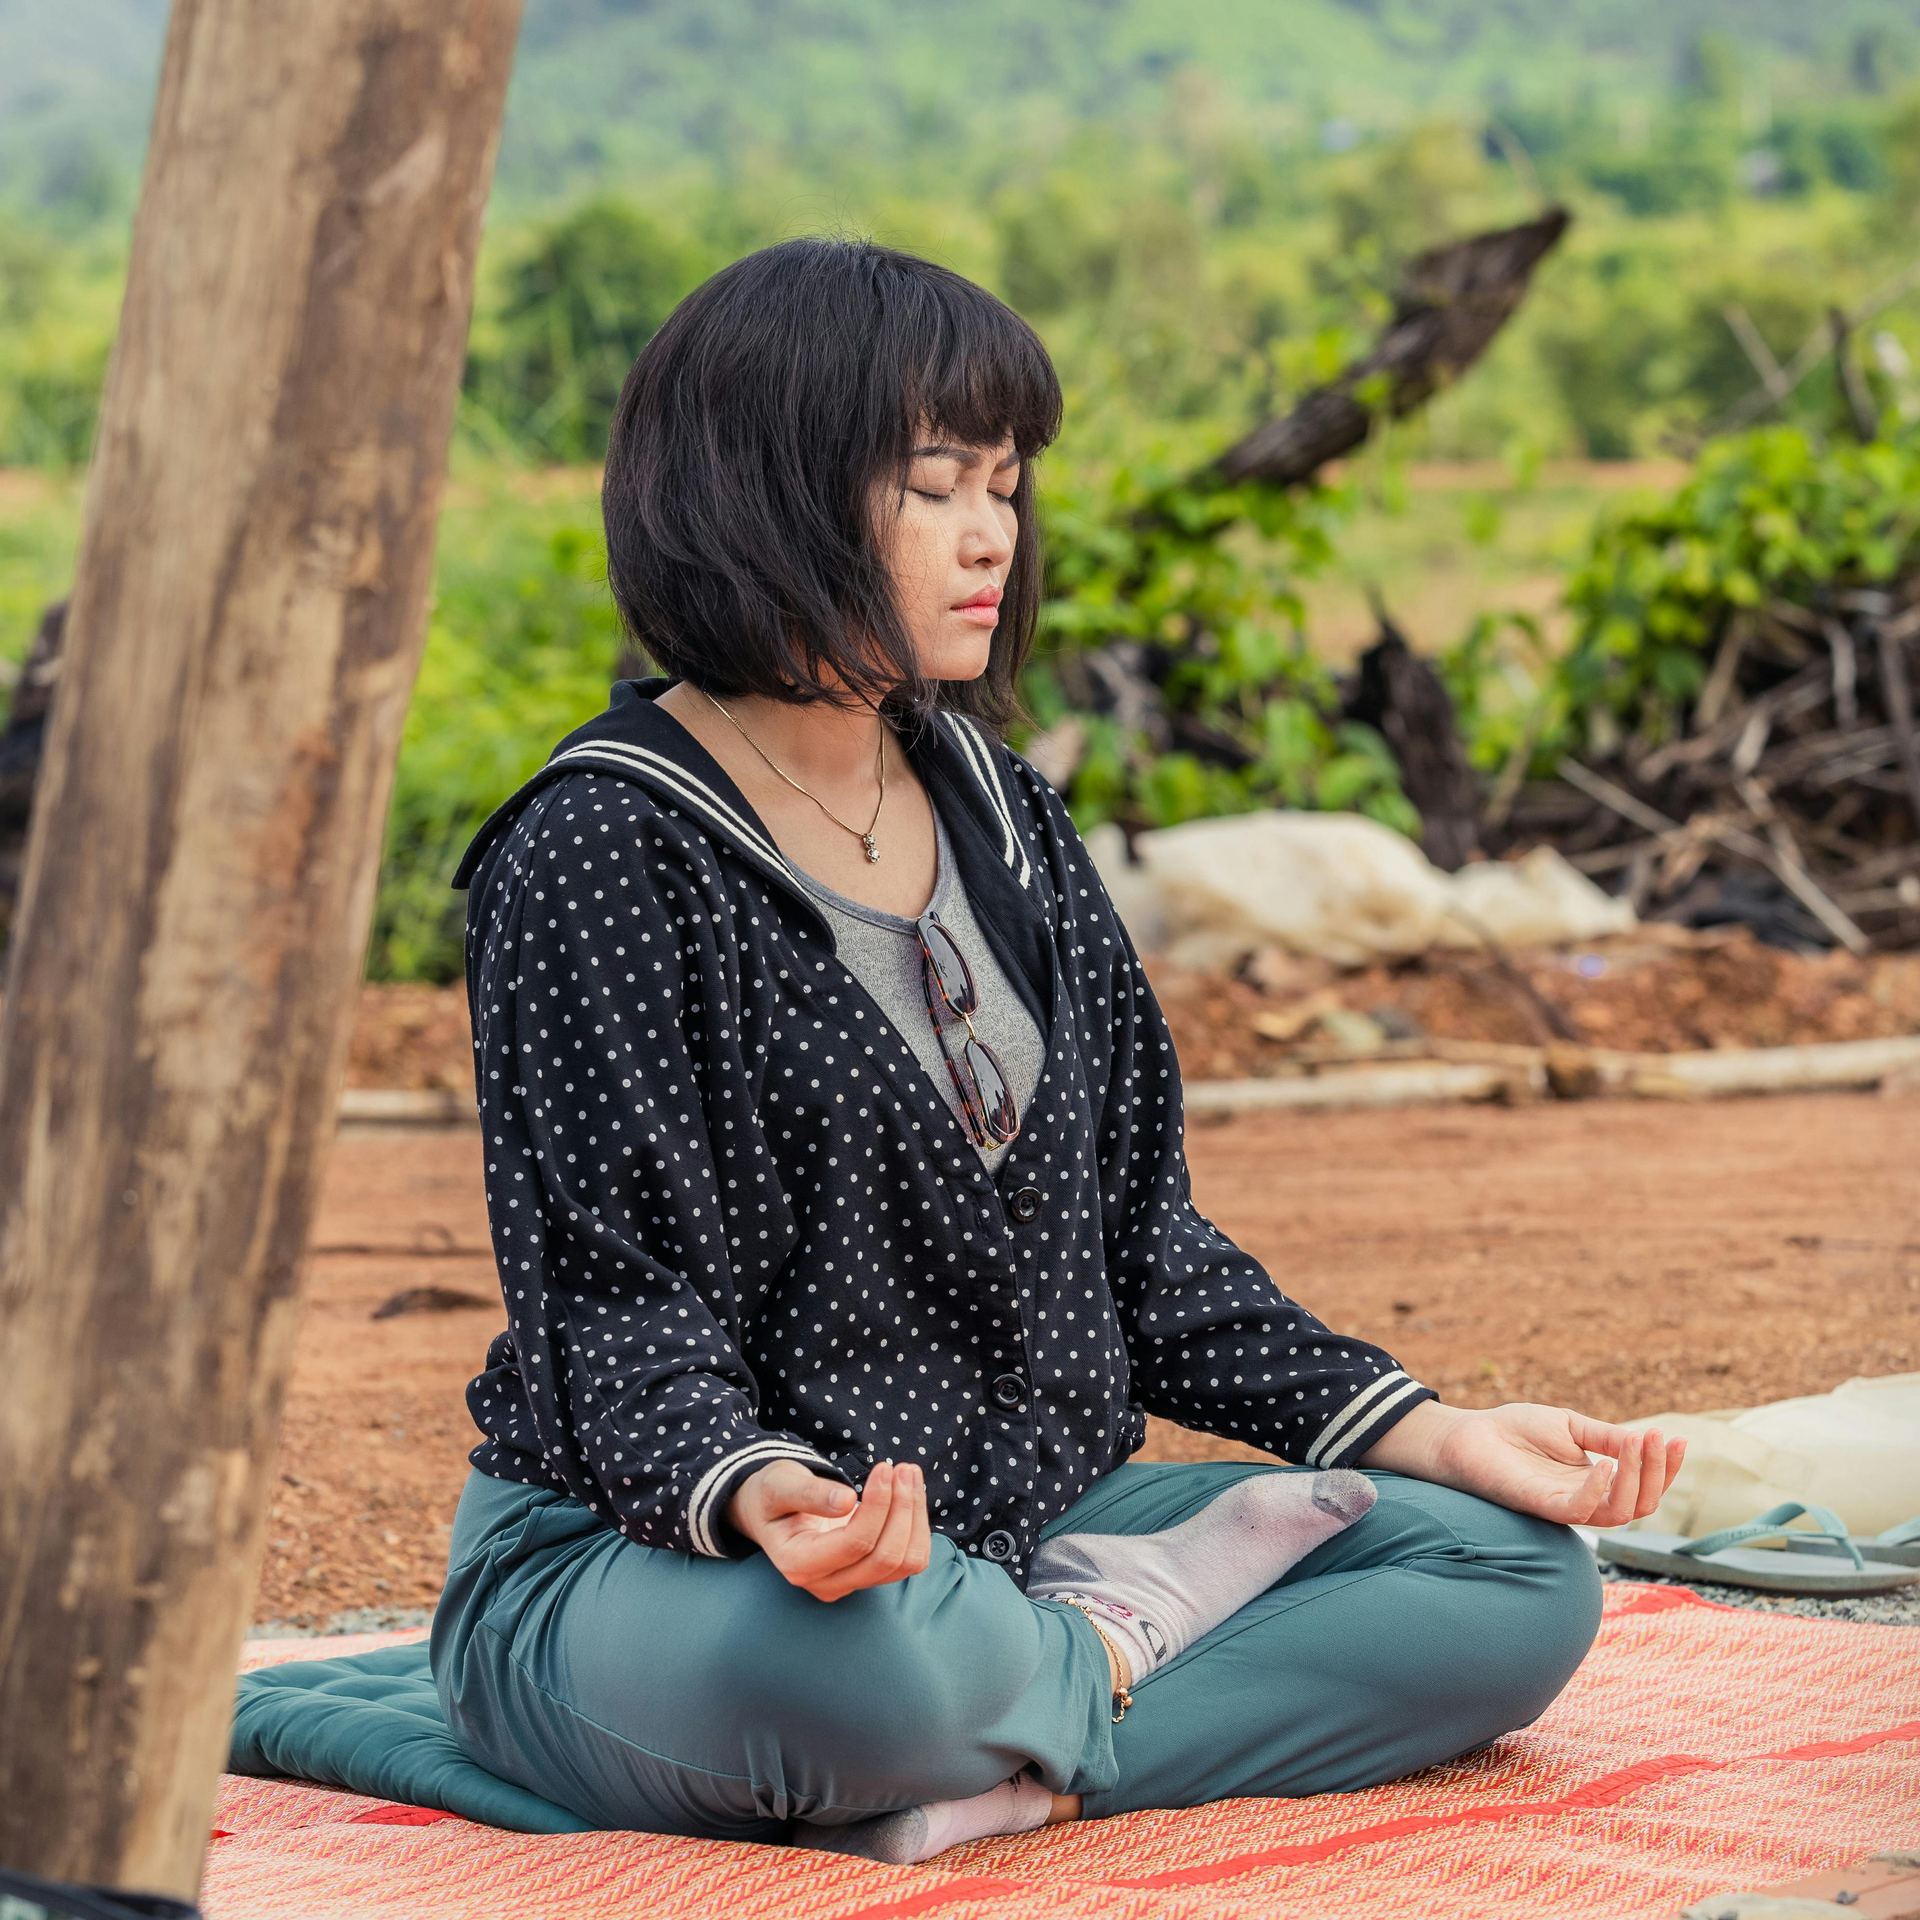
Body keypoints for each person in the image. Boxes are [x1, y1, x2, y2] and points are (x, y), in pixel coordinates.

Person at [430, 235, 1685, 1862]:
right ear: (763, 493)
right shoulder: (605, 847)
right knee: (879, 1675)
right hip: (675, 1558)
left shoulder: (1006, 814)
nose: (990, 539)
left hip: (1011, 1536)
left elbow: (1143, 1253)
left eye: (1006, 488)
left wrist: (1434, 1431)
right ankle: (1075, 1673)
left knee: (1513, 1580)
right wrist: (758, 1497)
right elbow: (609, 1301)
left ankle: (1031, 1708)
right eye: (937, 485)